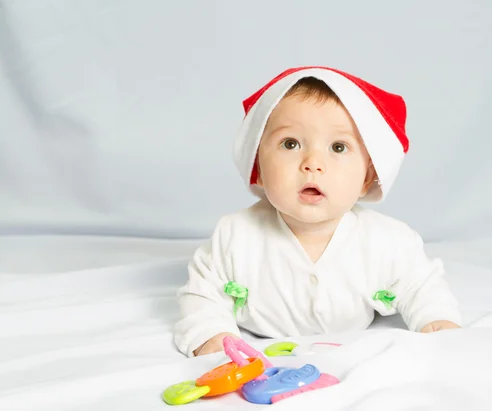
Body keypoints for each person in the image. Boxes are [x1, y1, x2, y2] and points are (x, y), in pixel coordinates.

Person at [174, 66, 461, 357]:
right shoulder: (234, 236)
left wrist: (436, 319)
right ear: (258, 168)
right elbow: (202, 294)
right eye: (291, 144)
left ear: (366, 178)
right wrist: (212, 335)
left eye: (338, 147)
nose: (312, 163)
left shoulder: (389, 241)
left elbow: (422, 285)